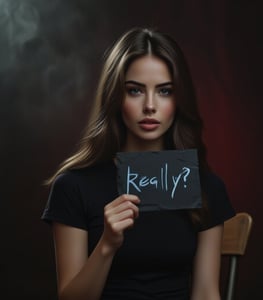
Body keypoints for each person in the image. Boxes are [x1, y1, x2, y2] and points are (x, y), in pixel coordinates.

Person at [41, 27, 235, 300]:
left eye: (165, 91)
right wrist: (107, 245)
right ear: (115, 97)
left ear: (179, 99)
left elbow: (205, 293)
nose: (150, 106)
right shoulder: (73, 187)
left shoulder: (205, 187)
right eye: (135, 90)